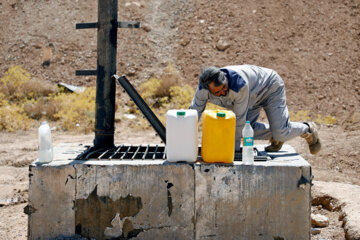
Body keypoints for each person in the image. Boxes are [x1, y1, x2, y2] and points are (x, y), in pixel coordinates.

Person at [189, 64, 321, 154]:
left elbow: (239, 121)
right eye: (218, 92)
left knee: (280, 133)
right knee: (247, 131)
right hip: (252, 97)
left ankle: (307, 129)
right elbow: (193, 113)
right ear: (207, 90)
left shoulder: (239, 85)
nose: (223, 92)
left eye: (224, 87)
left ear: (224, 78)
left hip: (270, 88)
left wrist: (233, 153)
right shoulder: (202, 89)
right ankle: (275, 135)